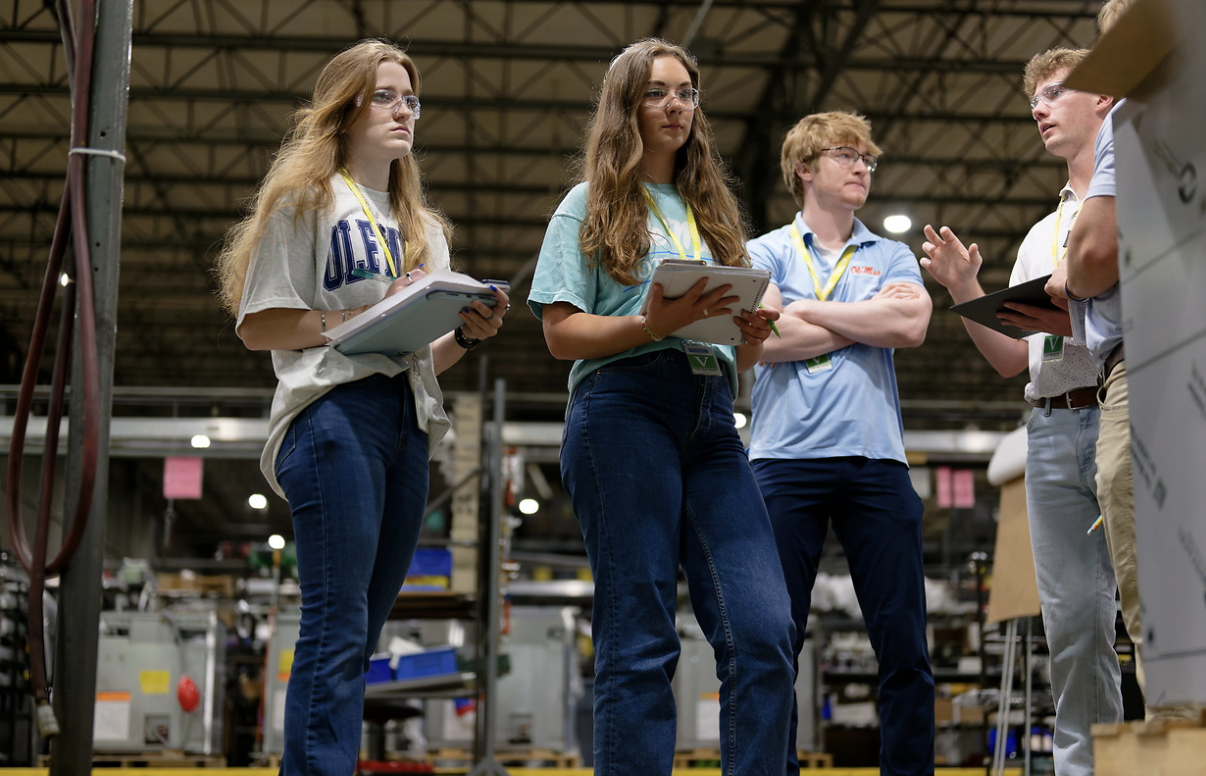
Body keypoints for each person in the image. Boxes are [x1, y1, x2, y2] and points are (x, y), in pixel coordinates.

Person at [215, 39, 509, 775]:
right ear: (345, 107)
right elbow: (259, 323)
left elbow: (419, 355)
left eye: (410, 98)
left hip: (408, 423)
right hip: (332, 414)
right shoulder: (306, 200)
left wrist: (464, 337)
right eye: (385, 95)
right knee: (338, 623)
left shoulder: (425, 232)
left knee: (365, 629)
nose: (403, 109)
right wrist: (352, 320)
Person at [526, 38, 795, 776]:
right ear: (626, 107)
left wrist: (746, 336)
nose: (676, 105)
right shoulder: (589, 204)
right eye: (657, 92)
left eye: (687, 92)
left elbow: (739, 354)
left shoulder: (712, 216)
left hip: (711, 416)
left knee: (765, 632)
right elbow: (559, 332)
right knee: (640, 642)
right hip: (622, 409)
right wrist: (651, 325)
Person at [921, 48, 1121, 775]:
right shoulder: (1042, 235)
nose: (1038, 108)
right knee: (1073, 624)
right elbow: (1013, 360)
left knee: (1158, 609)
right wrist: (964, 288)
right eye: (1032, 99)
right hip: (1049, 426)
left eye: (1055, 93)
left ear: (1104, 100)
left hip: (1122, 408)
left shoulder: (1139, 193)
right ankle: (1086, 769)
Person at [746, 111, 934, 776]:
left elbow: (911, 326)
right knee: (773, 638)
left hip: (876, 461)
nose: (862, 168)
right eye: (846, 155)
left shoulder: (893, 254)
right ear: (804, 168)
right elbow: (759, 341)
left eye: (868, 159)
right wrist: (866, 321)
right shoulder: (762, 252)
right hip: (780, 460)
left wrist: (807, 311)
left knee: (904, 641)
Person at [1044, 0, 1198, 723]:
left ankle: (1184, 706)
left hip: (1155, 354)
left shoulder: (1134, 121)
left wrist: (1069, 277)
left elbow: (1096, 257)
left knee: (1135, 497)